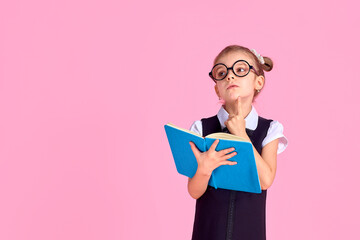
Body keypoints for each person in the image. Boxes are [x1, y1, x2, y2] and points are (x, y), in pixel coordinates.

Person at [188, 45, 288, 240]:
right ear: (217, 89)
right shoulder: (201, 128)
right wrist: (204, 169)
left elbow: (266, 179)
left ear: (258, 82)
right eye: (222, 72)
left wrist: (242, 135)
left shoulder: (270, 129)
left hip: (249, 232)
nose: (230, 77)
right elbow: (193, 190)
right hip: (208, 232)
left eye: (240, 70)